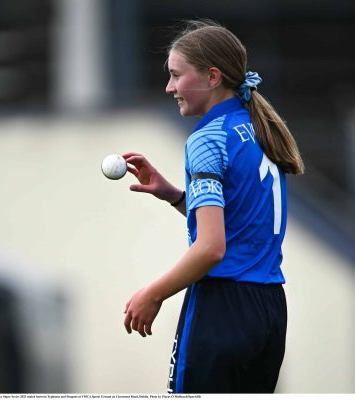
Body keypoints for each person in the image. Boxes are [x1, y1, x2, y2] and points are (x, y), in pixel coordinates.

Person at [122, 19, 304, 393]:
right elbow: (238, 221)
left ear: (213, 76)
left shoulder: (207, 139)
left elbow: (211, 248)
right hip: (269, 309)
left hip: (223, 306)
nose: (170, 87)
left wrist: (152, 294)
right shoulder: (255, 126)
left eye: (176, 75)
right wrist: (174, 194)